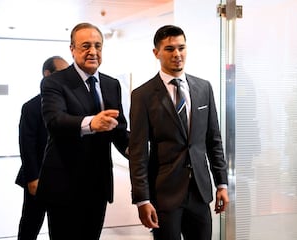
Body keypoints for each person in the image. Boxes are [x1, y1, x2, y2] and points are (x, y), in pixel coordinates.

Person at [129, 25, 229, 240]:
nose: (177, 54)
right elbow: (138, 153)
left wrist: (221, 183)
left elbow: (213, 140)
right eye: (169, 49)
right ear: (156, 53)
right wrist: (142, 199)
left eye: (181, 48)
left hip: (200, 192)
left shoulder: (204, 88)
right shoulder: (143, 95)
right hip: (164, 193)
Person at [36, 22, 129, 239]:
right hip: (63, 186)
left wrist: (135, 150)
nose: (93, 51)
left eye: (98, 45)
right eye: (85, 46)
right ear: (72, 49)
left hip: (98, 185)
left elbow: (118, 128)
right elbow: (55, 121)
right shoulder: (55, 82)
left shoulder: (110, 84)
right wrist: (90, 123)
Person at [15, 56, 69, 240]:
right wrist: (32, 177)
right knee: (31, 223)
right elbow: (26, 144)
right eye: (61, 73)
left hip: (63, 178)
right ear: (48, 74)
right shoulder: (31, 106)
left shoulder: (68, 105)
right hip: (38, 177)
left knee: (62, 226)